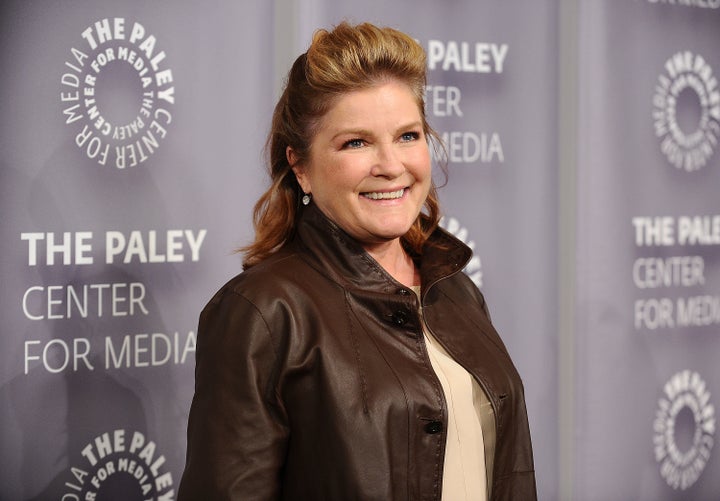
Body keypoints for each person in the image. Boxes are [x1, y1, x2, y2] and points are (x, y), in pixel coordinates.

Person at [178, 21, 536, 501]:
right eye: (356, 142)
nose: (391, 165)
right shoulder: (262, 312)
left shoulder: (454, 288)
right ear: (300, 167)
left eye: (408, 136)